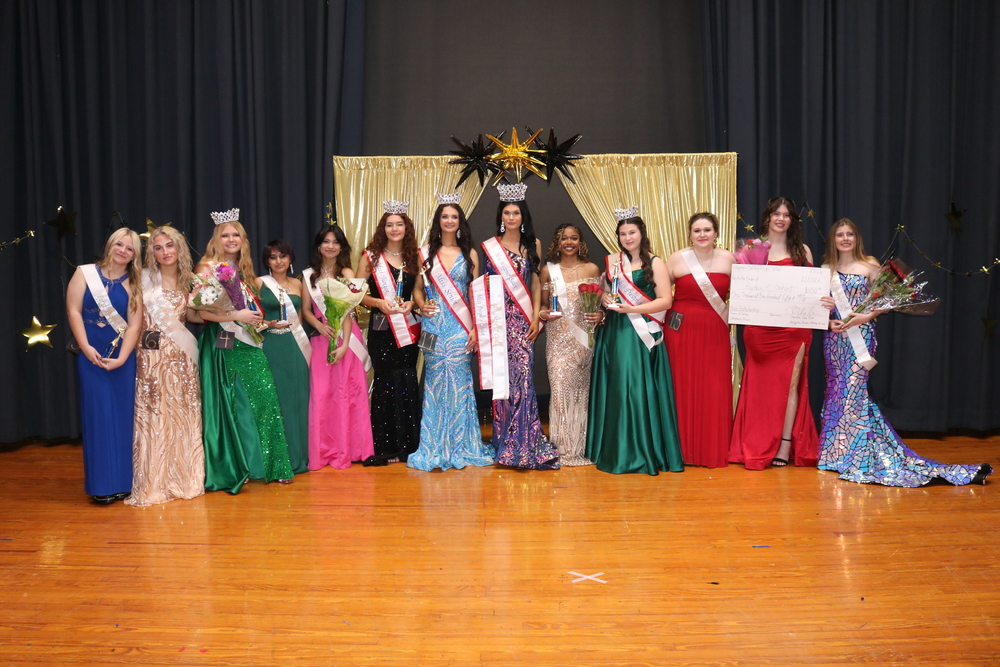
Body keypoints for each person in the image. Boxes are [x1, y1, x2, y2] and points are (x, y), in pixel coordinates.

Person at [818, 218, 992, 486]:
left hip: (861, 337)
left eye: (849, 234)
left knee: (854, 391)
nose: (845, 239)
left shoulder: (869, 264)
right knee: (836, 391)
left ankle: (855, 454)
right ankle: (834, 454)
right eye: (840, 234)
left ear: (857, 238)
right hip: (834, 339)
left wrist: (866, 317)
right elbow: (818, 307)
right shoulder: (824, 269)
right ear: (833, 239)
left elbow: (888, 300)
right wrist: (828, 320)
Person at [192, 208, 294, 492]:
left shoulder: (244, 269)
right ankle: (237, 467)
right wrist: (235, 316)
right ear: (217, 238)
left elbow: (248, 311)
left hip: (248, 340)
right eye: (225, 235)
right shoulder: (206, 268)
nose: (231, 239)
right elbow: (200, 312)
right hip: (221, 342)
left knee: (265, 398)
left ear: (243, 239)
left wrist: (264, 323)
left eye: (236, 235)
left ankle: (275, 465)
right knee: (230, 405)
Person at [586, 207, 684, 475]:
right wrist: (604, 297)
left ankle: (639, 451)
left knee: (635, 388)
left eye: (632, 232)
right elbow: (606, 291)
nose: (628, 238)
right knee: (617, 387)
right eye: (623, 234)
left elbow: (666, 301)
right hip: (615, 332)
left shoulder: (656, 262)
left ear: (641, 234)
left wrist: (631, 309)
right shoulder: (612, 262)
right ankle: (616, 449)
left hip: (640, 333)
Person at [729, 197, 823, 470]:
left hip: (794, 330)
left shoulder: (802, 251)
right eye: (776, 213)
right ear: (768, 217)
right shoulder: (752, 249)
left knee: (792, 386)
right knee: (760, 388)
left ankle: (784, 444)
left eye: (786, 215)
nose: (781, 218)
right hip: (760, 331)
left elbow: (811, 292)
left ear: (792, 220)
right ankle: (756, 441)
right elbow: (742, 290)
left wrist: (823, 302)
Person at [408, 195, 494, 471]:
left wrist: (476, 328)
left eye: (454, 217)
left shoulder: (470, 254)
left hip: (460, 327)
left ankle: (461, 443)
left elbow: (476, 294)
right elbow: (417, 289)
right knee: (434, 383)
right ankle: (434, 444)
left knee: (459, 384)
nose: (449, 221)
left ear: (460, 222)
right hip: (432, 327)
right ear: (438, 221)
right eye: (444, 216)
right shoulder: (424, 254)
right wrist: (422, 305)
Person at [478, 183, 560, 469]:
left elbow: (536, 283)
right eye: (507, 213)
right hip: (498, 323)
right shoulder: (490, 247)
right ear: (501, 216)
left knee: (523, 379)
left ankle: (526, 439)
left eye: (516, 213)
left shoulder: (533, 244)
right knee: (503, 381)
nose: (511, 217)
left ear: (523, 216)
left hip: (524, 322)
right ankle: (505, 440)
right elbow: (484, 287)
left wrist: (536, 316)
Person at [127, 225, 205, 506]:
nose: (165, 252)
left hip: (181, 357)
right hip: (151, 357)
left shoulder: (191, 280)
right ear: (152, 253)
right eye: (158, 248)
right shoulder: (144, 278)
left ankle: (184, 478)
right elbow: (134, 318)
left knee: (181, 415)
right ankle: (155, 482)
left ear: (179, 247)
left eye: (169, 246)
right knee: (155, 416)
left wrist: (216, 306)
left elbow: (193, 317)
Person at [66, 228, 143, 504]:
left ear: (134, 255)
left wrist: (122, 358)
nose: (123, 250)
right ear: (110, 245)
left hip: (122, 358)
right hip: (91, 354)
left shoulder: (134, 283)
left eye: (129, 248)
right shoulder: (84, 272)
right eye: (119, 244)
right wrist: (85, 347)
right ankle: (101, 485)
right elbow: (73, 310)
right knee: (97, 417)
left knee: (122, 419)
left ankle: (122, 483)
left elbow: (134, 325)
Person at [664, 212, 737, 468]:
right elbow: (658, 292)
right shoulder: (676, 259)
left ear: (716, 233)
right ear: (690, 234)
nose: (702, 234)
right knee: (681, 386)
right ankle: (681, 451)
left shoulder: (729, 259)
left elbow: (745, 296)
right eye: (697, 230)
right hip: (680, 330)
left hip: (714, 330)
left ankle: (711, 450)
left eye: (707, 230)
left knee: (714, 388)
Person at [300, 223, 374, 469]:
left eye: (335, 242)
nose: (330, 246)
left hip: (347, 339)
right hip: (321, 337)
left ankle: (350, 449)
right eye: (326, 241)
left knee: (346, 392)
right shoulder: (309, 276)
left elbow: (350, 312)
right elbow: (306, 310)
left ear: (341, 247)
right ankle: (323, 451)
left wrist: (343, 345)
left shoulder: (347, 273)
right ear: (319, 246)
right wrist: (318, 326)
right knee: (322, 394)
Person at [356, 201, 422, 465]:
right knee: (385, 381)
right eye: (389, 224)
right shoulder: (370, 257)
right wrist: (377, 302)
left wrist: (412, 304)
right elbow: (356, 294)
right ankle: (385, 446)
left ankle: (408, 445)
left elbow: (420, 292)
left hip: (408, 329)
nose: (394, 229)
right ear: (383, 228)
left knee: (407, 379)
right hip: (382, 330)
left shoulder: (414, 257)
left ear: (407, 228)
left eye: (399, 224)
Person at [538, 223, 602, 466]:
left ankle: (579, 448)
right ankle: (562, 448)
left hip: (583, 340)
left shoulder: (592, 268)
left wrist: (600, 316)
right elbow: (543, 305)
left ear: (580, 242)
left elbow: (601, 304)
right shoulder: (548, 271)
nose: (569, 242)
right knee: (559, 391)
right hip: (558, 340)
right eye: (564, 238)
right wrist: (543, 314)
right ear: (557, 242)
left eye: (573, 238)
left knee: (580, 394)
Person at [257, 239, 310, 475]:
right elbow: (251, 317)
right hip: (270, 346)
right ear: (267, 261)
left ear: (290, 259)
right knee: (274, 401)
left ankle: (297, 457)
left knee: (296, 400)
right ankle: (276, 460)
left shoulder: (298, 284)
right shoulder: (259, 282)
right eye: (273, 257)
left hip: (294, 347)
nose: (279, 261)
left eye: (283, 256)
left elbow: (301, 317)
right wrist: (267, 324)